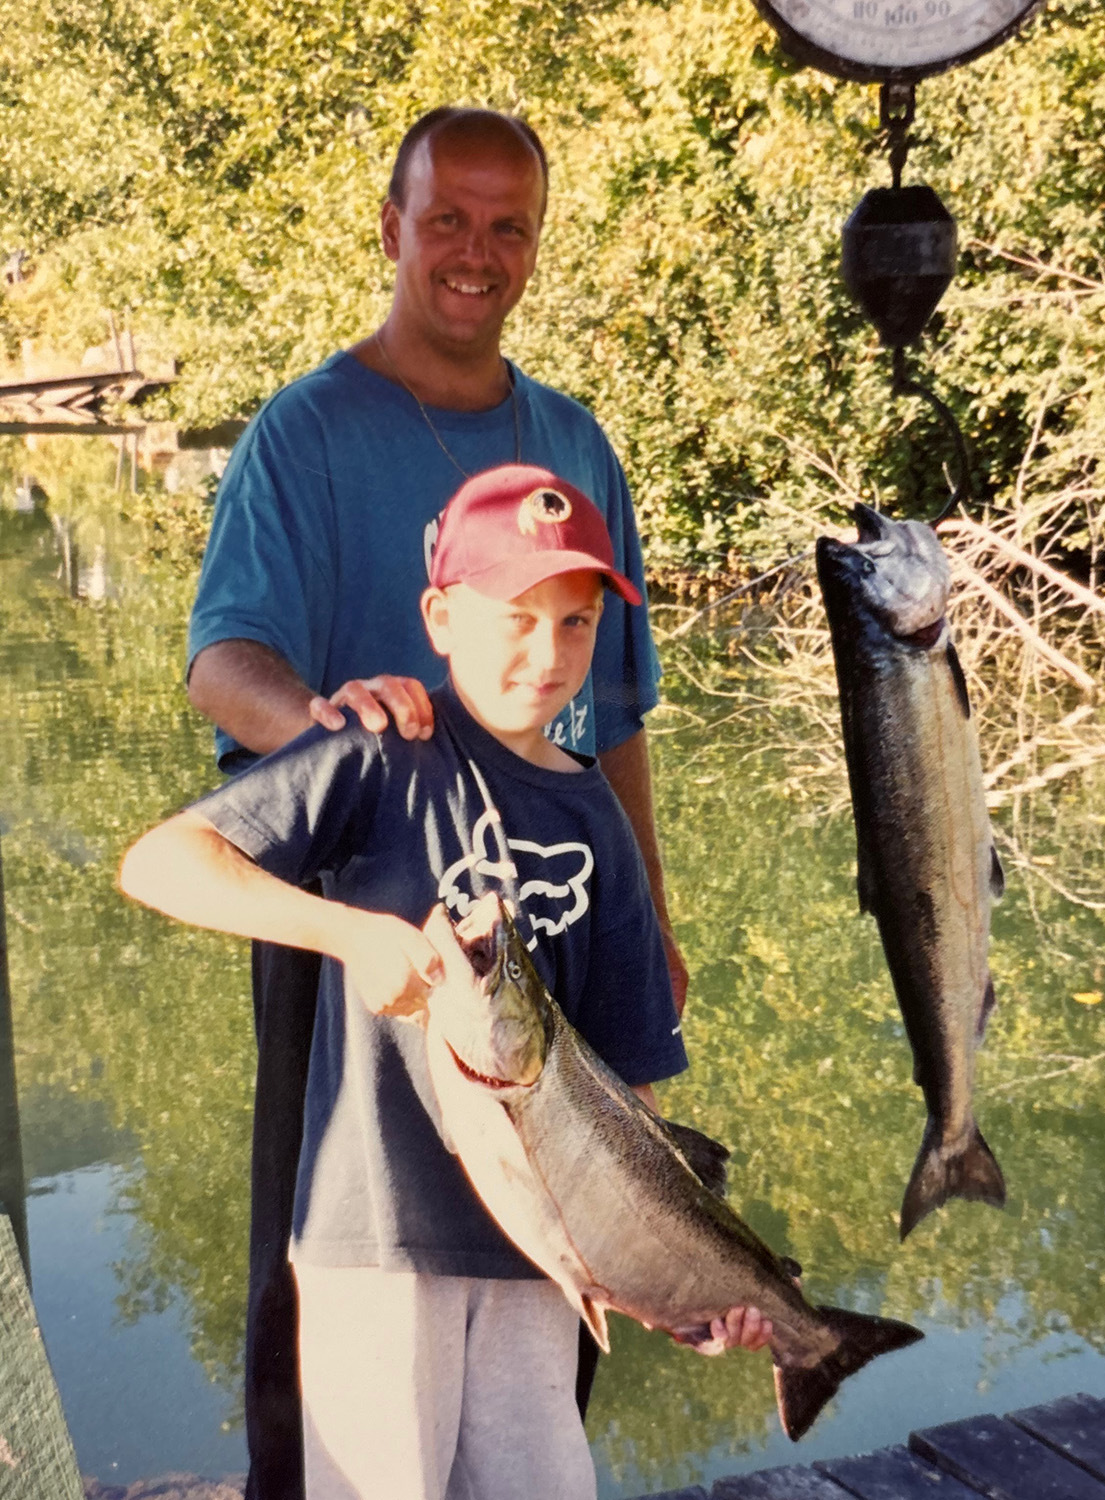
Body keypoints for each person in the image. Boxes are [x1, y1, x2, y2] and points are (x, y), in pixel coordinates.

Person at [185, 107, 688, 1496]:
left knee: (549, 1273)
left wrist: (653, 913)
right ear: (391, 228)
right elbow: (220, 659)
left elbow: (618, 710)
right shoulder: (306, 431)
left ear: (537, 241)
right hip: (361, 931)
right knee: (350, 1297)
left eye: (507, 223)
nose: (477, 253)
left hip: (562, 916)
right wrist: (338, 737)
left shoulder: (573, 442)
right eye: (447, 219)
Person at [124, 467, 768, 1500]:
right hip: (373, 1239)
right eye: (513, 617)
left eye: (575, 622)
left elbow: (631, 1095)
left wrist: (678, 1281)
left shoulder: (597, 816)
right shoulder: (377, 750)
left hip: (538, 1261)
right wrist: (346, 934)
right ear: (438, 616)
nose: (545, 653)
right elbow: (158, 865)